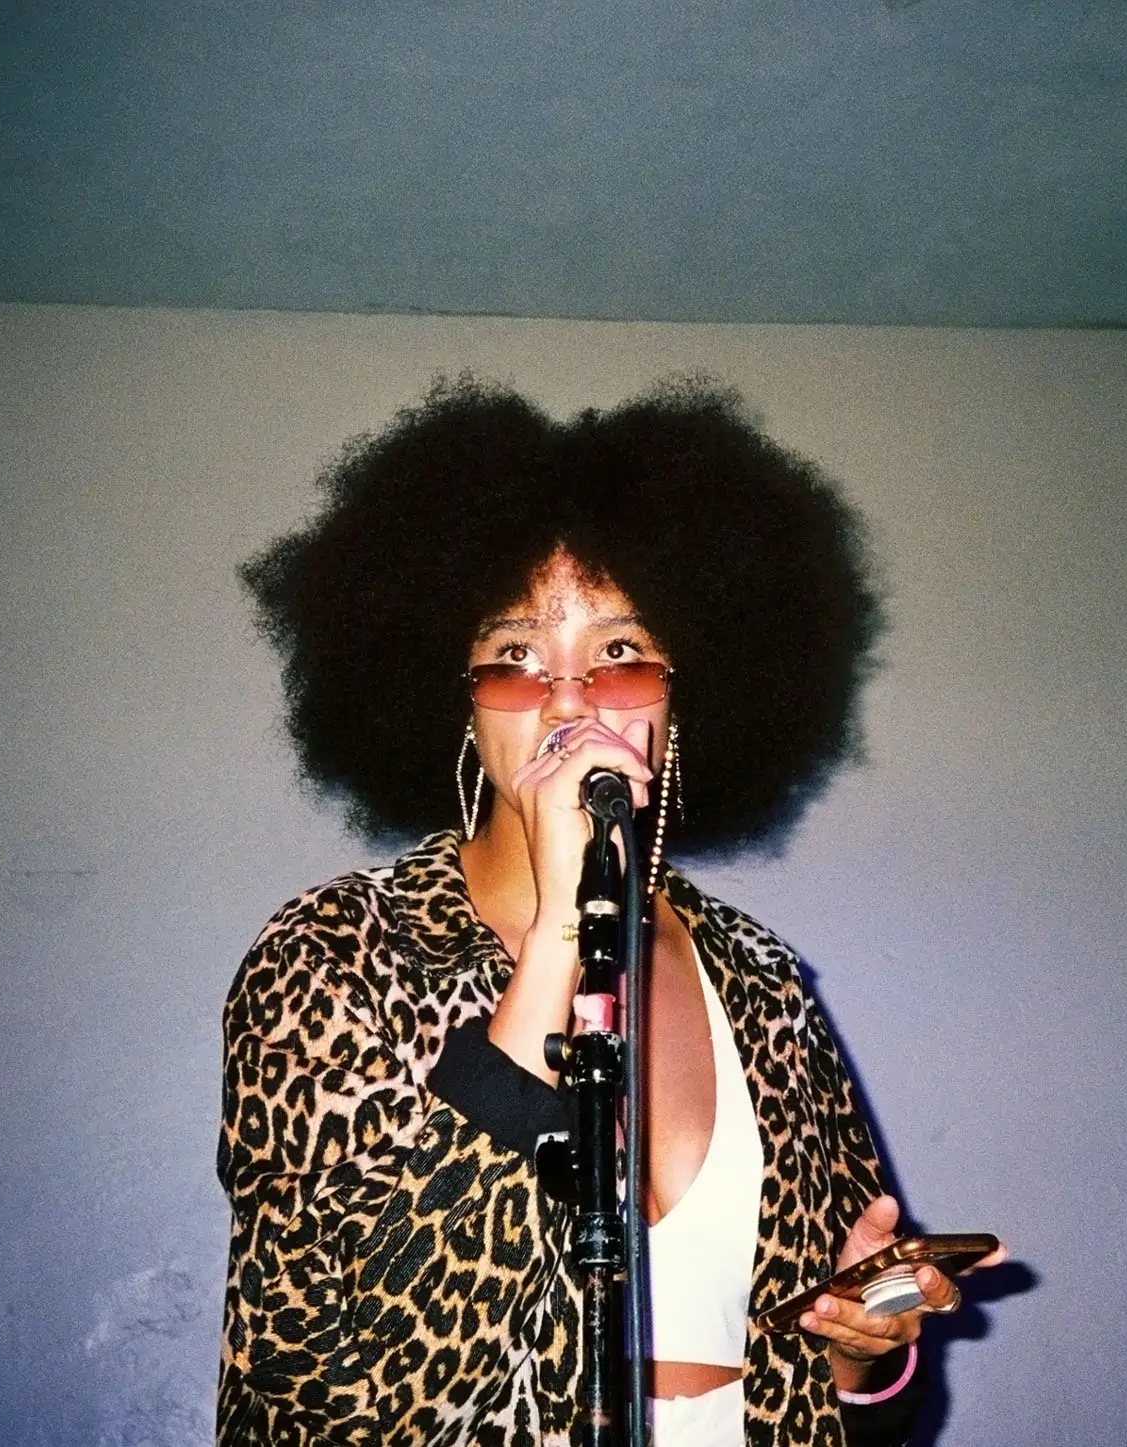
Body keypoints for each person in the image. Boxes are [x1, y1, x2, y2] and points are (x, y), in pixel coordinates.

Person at [218, 378, 999, 1446]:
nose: (571, 700)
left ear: (685, 701)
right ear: (450, 696)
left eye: (621, 653)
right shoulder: (332, 956)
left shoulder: (762, 982)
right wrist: (552, 944)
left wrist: (865, 1350)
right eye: (516, 656)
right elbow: (329, 1376)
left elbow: (838, 1394)